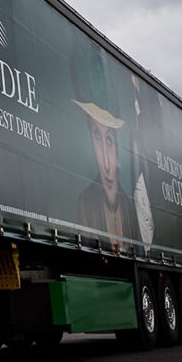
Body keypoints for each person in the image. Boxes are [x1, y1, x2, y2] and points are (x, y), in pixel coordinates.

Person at [71, 45, 138, 249]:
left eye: (109, 139)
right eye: (97, 137)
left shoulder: (131, 208)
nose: (107, 164)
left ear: (117, 142)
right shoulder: (85, 202)